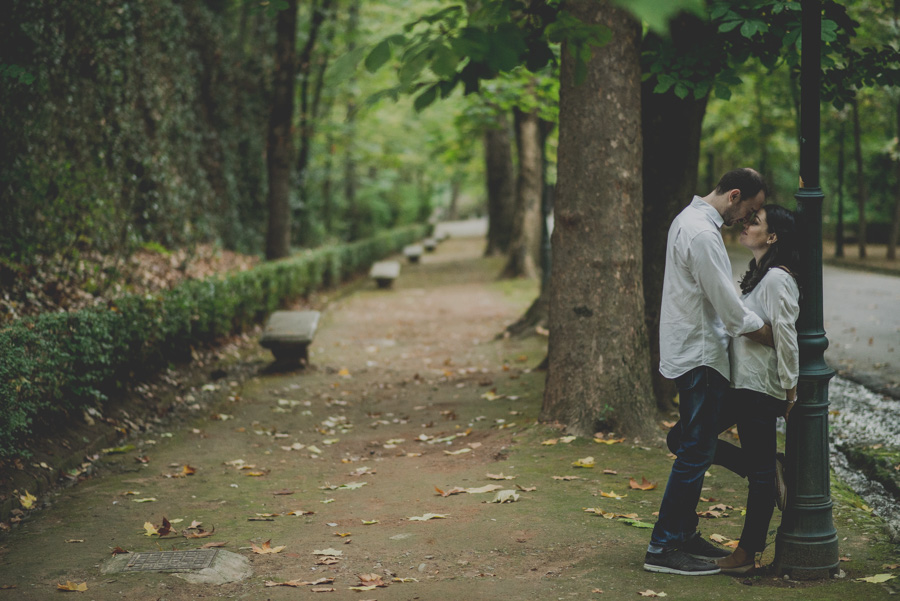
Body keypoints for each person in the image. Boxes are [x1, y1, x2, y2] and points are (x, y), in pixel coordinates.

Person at [644, 168, 773, 576]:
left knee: (690, 444)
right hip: (700, 354)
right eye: (749, 210)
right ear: (734, 195)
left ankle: (682, 533)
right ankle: (663, 547)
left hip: (694, 349)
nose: (747, 220)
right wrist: (768, 333)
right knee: (694, 450)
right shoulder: (701, 233)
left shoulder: (690, 220)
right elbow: (727, 304)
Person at [708, 204, 800, 574]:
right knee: (683, 438)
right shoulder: (760, 276)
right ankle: (765, 468)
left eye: (755, 222)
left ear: (772, 236)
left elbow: (786, 336)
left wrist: (790, 392)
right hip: (739, 385)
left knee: (760, 478)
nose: (746, 225)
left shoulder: (779, 278)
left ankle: (746, 555)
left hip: (760, 388)